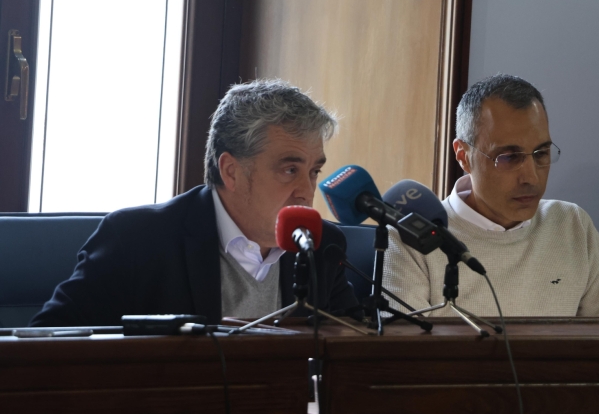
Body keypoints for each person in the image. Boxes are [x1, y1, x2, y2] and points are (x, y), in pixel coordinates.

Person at [31, 79, 359, 327]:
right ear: (231, 171)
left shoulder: (322, 247)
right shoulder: (135, 240)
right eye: (290, 170)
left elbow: (352, 349)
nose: (306, 191)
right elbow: (44, 348)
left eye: (314, 172)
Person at [383, 74, 599, 317]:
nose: (531, 178)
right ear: (463, 156)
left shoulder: (571, 224)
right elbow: (404, 348)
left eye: (541, 154)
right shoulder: (411, 237)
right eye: (508, 157)